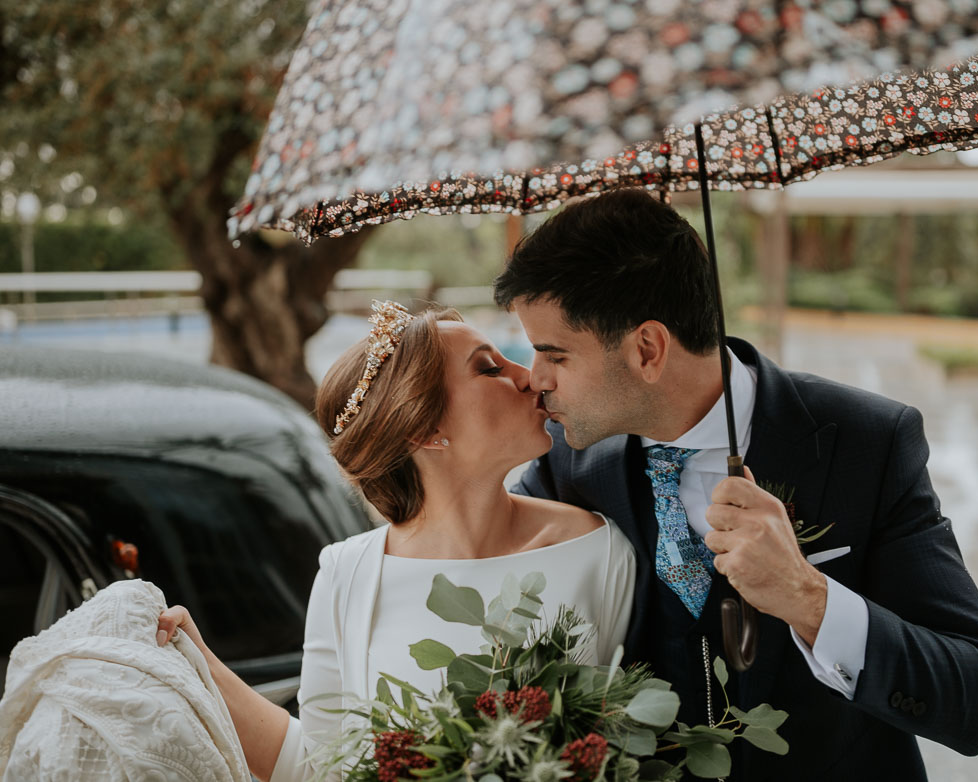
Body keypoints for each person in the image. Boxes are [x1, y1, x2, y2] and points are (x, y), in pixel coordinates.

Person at [493, 189, 978, 781]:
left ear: (647, 349)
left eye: (554, 355)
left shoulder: (867, 442)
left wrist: (808, 597)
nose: (536, 380)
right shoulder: (564, 469)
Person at [156, 303, 636, 782]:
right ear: (424, 430)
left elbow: (627, 744)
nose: (530, 376)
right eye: (490, 368)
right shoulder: (348, 574)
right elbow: (319, 767)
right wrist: (199, 667)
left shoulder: (598, 549)